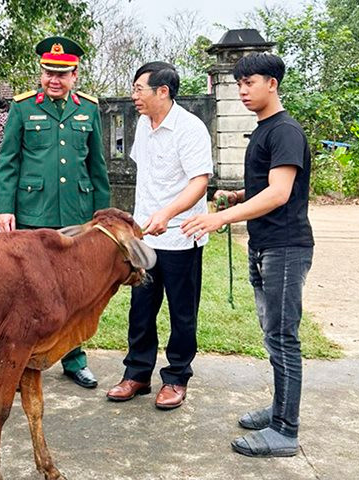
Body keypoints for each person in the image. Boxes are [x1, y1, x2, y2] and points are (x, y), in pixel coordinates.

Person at [181, 52, 314, 457]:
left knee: (283, 338)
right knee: (272, 337)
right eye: (238, 84)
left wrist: (220, 220)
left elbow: (280, 193)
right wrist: (238, 195)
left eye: (249, 82)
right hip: (265, 246)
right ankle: (279, 410)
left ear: (272, 84)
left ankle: (285, 431)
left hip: (285, 248)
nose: (241, 90)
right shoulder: (263, 129)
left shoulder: (285, 131)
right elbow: (265, 187)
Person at [0, 36, 110, 389]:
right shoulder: (23, 108)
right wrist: (4, 208)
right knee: (28, 291)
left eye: (62, 74)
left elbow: (97, 167)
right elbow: (9, 162)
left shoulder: (88, 109)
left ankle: (74, 359)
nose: (54, 80)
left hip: (76, 215)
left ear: (75, 74)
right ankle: (23, 358)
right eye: (48, 73)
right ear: (41, 73)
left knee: (74, 291)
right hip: (32, 213)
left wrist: (101, 217)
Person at [104, 62, 212, 410]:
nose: (134, 96)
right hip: (145, 238)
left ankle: (177, 377)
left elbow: (200, 182)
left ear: (162, 91)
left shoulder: (190, 129)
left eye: (139, 89)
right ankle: (137, 373)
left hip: (182, 236)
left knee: (182, 313)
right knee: (141, 308)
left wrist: (168, 214)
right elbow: (148, 177)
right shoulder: (142, 125)